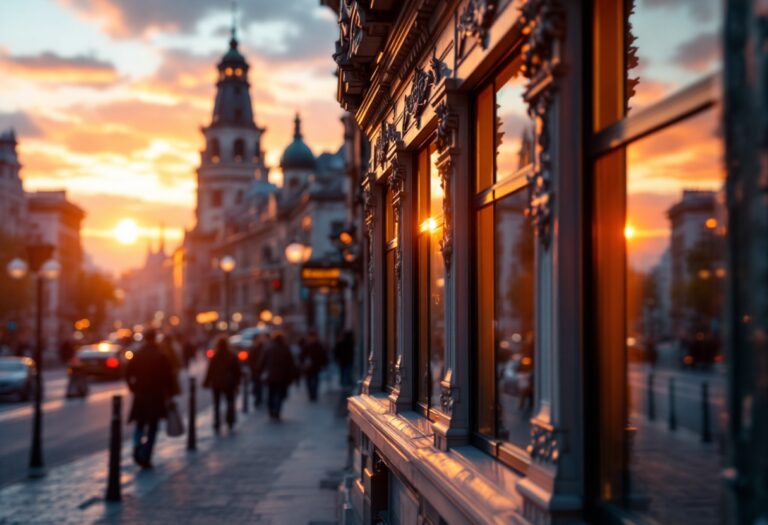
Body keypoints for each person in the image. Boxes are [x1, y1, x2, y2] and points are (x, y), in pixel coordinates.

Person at [125, 330, 174, 469]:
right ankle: (146, 455)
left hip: (141, 395)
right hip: (156, 396)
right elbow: (169, 379)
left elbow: (128, 374)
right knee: (153, 426)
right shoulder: (161, 356)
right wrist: (169, 396)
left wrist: (133, 388)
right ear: (154, 339)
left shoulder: (138, 355)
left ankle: (137, 447)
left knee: (140, 424)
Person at [203, 336, 241, 433]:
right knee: (230, 402)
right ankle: (230, 421)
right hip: (229, 383)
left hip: (217, 383)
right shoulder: (232, 355)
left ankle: (217, 422)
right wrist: (237, 382)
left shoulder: (215, 356)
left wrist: (206, 382)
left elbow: (210, 370)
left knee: (217, 404)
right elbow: (237, 371)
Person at [261, 331, 297, 421]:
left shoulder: (269, 349)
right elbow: (291, 364)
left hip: (271, 376)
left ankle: (271, 410)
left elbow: (262, 362)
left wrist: (260, 371)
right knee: (280, 395)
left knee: (271, 394)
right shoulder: (286, 349)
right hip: (282, 377)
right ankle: (277, 410)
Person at [299, 330, 327, 401]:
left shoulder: (318, 346)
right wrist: (302, 363)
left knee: (315, 381)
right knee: (309, 382)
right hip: (308, 368)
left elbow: (323, 356)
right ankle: (311, 394)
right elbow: (302, 356)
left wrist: (323, 364)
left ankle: (314, 394)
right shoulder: (306, 346)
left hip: (316, 367)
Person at [247, 333, 267, 408]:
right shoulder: (254, 348)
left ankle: (258, 398)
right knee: (257, 384)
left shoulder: (262, 348)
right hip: (256, 370)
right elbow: (250, 359)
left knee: (258, 385)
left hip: (258, 370)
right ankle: (258, 398)